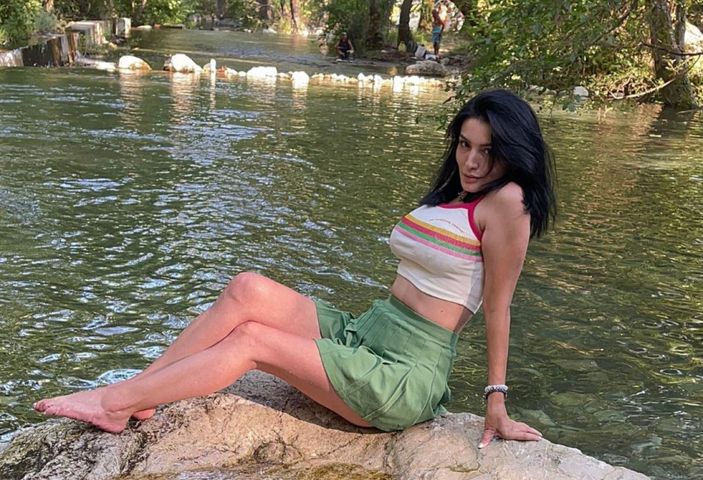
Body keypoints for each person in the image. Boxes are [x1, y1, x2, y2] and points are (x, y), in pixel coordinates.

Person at [34, 89, 556, 449]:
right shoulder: (456, 195)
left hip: (404, 373)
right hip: (366, 332)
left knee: (251, 341)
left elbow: (499, 307)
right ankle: (141, 393)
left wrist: (496, 402)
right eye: (464, 145)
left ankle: (113, 403)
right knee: (247, 289)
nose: (471, 162)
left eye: (487, 151)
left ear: (512, 152)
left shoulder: (509, 202)